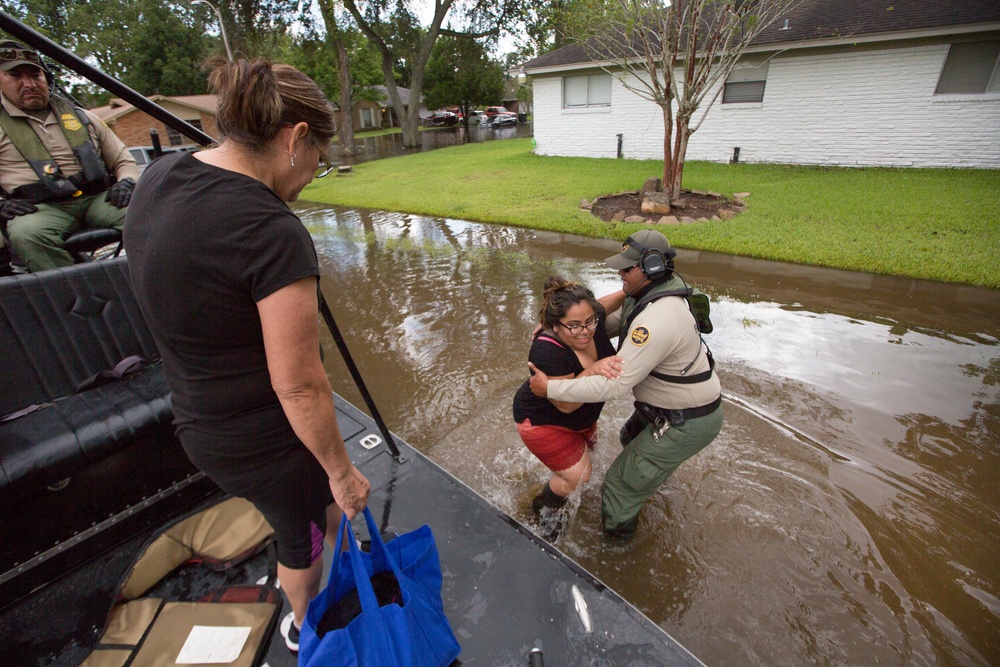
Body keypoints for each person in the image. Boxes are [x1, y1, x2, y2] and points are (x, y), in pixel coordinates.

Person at [124, 57, 369, 654]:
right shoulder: (268, 231)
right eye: (319, 160)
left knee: (319, 516)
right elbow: (301, 387)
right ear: (296, 139)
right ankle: (304, 623)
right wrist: (342, 471)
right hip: (264, 439)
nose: (314, 173)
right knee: (300, 537)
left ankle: (339, 547)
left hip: (198, 417)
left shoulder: (161, 178)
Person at [529, 229, 723, 539]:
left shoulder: (658, 319)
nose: (620, 271)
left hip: (686, 419)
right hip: (665, 408)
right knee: (629, 435)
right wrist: (562, 327)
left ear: (654, 267)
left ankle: (617, 555)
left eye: (627, 267)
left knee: (617, 487)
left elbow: (613, 385)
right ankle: (646, 482)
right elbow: (602, 325)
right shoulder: (647, 296)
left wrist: (550, 388)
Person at [0, 41, 137, 272]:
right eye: (15, 76)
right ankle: (78, 300)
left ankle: (155, 285)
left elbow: (123, 159)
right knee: (27, 235)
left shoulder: (84, 117)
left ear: (47, 78)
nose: (30, 84)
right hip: (41, 209)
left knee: (154, 211)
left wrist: (127, 182)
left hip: (99, 200)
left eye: (36, 75)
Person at [512, 276, 624, 540]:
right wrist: (595, 369)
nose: (585, 331)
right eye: (573, 326)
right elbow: (566, 404)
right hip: (544, 421)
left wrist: (632, 287)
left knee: (590, 454)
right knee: (579, 476)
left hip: (582, 419)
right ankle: (539, 508)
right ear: (554, 326)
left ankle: (555, 476)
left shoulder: (589, 318)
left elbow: (609, 302)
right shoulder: (545, 351)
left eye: (589, 322)